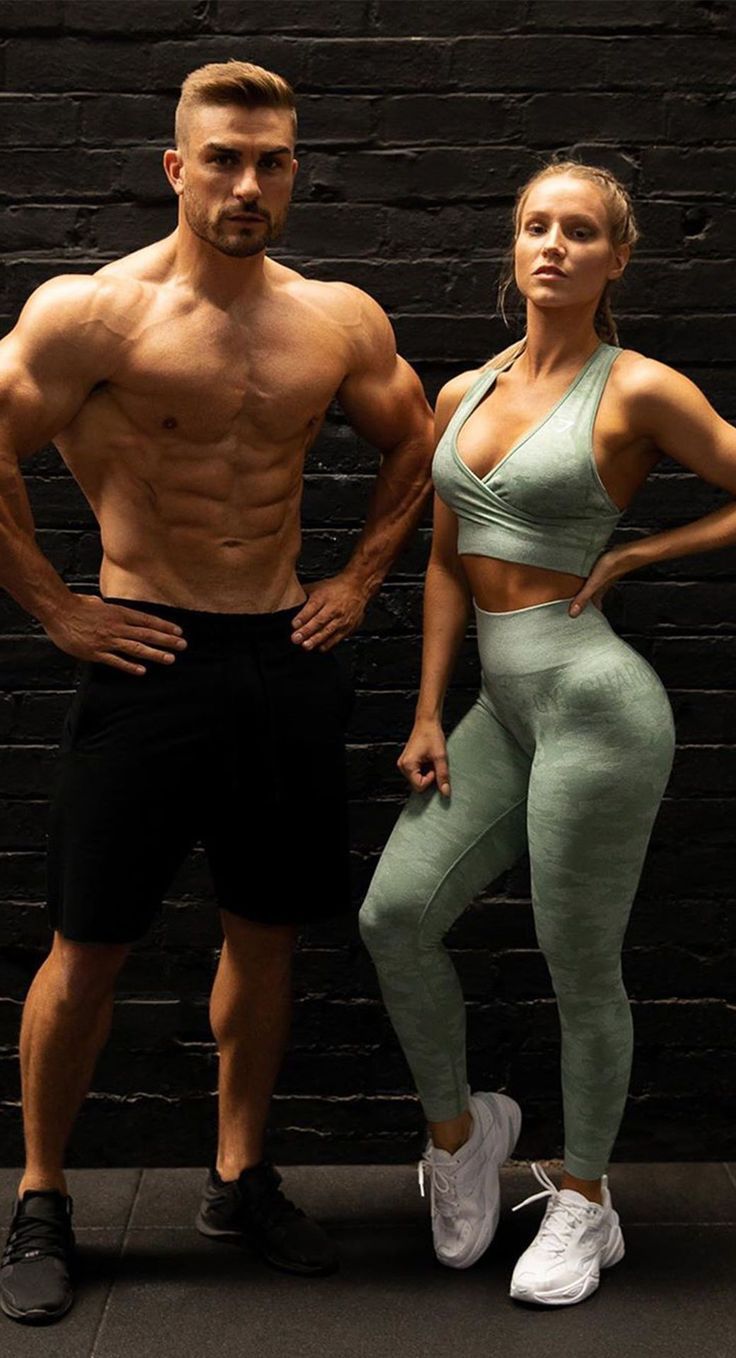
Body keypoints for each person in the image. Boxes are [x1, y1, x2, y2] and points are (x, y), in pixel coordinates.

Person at [0, 60, 434, 1325]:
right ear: (177, 166)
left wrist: (356, 579)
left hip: (282, 659)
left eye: (274, 162)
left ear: (295, 171)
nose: (250, 184)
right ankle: (41, 1195)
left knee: (267, 928)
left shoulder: (336, 319)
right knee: (89, 945)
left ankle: (239, 1175)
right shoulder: (94, 315)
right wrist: (54, 604)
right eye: (225, 160)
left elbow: (412, 441)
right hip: (147, 655)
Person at [359, 158, 736, 1307]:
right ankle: (463, 1134)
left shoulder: (637, 390)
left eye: (580, 230)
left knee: (579, 963)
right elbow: (439, 559)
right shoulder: (463, 390)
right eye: (535, 224)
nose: (553, 245)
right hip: (498, 708)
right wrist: (429, 709)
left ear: (615, 257)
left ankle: (584, 1197)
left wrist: (634, 553)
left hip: (596, 708)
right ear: (512, 245)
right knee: (391, 916)